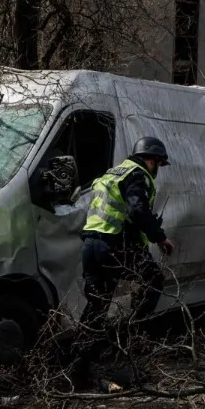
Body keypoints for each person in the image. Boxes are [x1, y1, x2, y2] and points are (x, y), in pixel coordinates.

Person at [70, 136, 175, 385]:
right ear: (152, 160)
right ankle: (130, 346)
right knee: (153, 281)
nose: (157, 169)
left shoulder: (110, 175)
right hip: (115, 244)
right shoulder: (137, 174)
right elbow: (137, 210)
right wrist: (160, 237)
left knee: (96, 307)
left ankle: (76, 372)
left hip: (91, 246)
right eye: (158, 164)